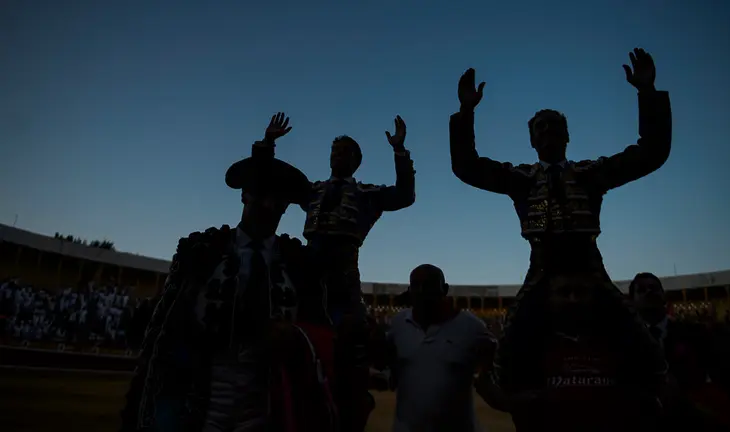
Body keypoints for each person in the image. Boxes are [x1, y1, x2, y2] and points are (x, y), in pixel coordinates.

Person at [450, 48, 671, 399]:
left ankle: (659, 387)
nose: (549, 132)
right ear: (532, 140)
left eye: (556, 127)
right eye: (541, 128)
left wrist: (647, 92)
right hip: (544, 262)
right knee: (514, 329)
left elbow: (651, 152)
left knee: (633, 328)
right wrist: (465, 112)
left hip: (587, 260)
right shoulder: (521, 177)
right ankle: (509, 390)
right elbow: (467, 166)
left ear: (567, 136)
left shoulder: (589, 173)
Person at [121, 114, 337, 432]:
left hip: (270, 392)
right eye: (261, 194)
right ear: (243, 195)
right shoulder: (202, 252)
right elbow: (166, 327)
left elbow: (321, 331)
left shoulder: (299, 264)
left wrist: (295, 337)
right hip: (201, 385)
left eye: (278, 200)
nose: (268, 205)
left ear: (286, 207)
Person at [252, 113, 416, 432]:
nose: (336, 156)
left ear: (356, 161)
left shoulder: (367, 194)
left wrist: (399, 151)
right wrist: (268, 142)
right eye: (334, 151)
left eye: (343, 152)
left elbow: (405, 195)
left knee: (348, 347)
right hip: (306, 269)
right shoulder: (312, 190)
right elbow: (268, 178)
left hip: (342, 271)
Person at [476, 275, 663, 432]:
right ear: (549, 299)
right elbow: (512, 402)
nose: (573, 299)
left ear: (593, 298)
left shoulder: (621, 342)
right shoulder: (529, 347)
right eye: (565, 292)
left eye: (581, 292)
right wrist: (486, 380)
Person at [372, 264, 496, 432]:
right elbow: (390, 372)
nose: (422, 291)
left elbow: (492, 371)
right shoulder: (398, 324)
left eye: (429, 285)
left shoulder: (472, 328)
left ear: (444, 289)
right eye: (415, 285)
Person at [630, 272, 730, 432]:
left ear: (664, 297)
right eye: (641, 290)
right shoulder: (626, 341)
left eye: (654, 288)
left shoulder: (695, 333)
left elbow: (725, 378)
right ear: (632, 302)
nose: (649, 292)